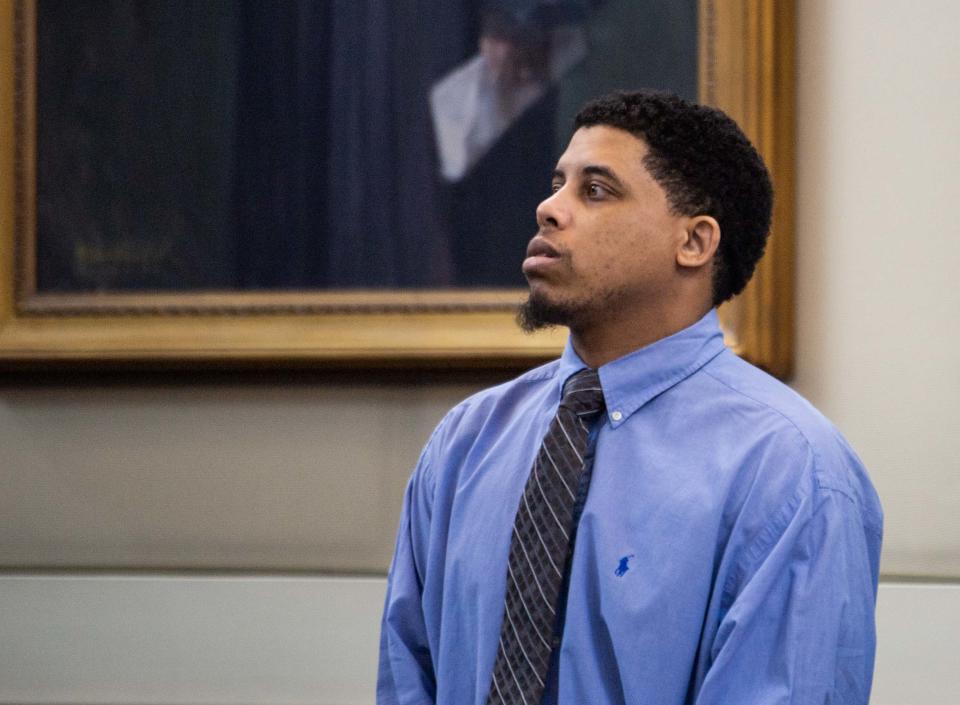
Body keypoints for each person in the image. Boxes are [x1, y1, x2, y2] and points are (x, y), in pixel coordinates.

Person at [377, 90, 883, 705]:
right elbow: (409, 678)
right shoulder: (466, 442)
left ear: (694, 243)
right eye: (557, 183)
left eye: (595, 190)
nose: (548, 209)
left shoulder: (788, 471)